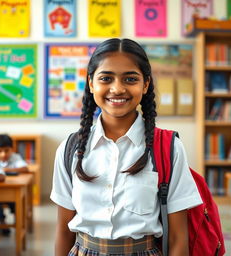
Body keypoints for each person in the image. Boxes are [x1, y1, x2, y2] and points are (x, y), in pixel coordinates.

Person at [50, 38, 203, 256]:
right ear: (92, 83)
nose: (117, 88)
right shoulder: (70, 148)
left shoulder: (168, 147)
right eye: (106, 78)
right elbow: (63, 231)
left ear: (146, 84)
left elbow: (179, 237)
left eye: (130, 79)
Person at [0, 134, 29, 236]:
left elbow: (24, 169)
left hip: (12, 191)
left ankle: (19, 225)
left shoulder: (15, 157)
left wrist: (4, 170)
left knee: (16, 204)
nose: (3, 154)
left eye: (6, 150)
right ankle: (1, 222)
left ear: (12, 149)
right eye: (0, 151)